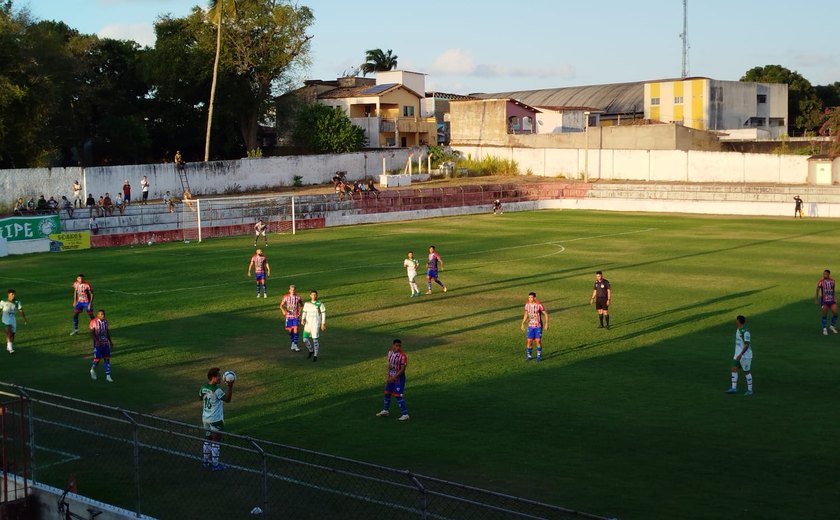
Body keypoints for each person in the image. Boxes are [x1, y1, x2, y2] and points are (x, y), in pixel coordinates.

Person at [200, 367, 233, 471]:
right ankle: (215, 465)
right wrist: (230, 386)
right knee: (216, 442)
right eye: (218, 376)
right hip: (215, 419)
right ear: (213, 378)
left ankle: (205, 462)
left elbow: (200, 397)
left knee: (207, 439)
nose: (220, 378)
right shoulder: (217, 390)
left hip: (205, 418)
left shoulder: (203, 387)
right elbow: (228, 399)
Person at [375, 339, 410, 421]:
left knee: (398, 396)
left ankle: (405, 415)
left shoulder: (403, 356)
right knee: (387, 393)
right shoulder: (390, 353)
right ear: (393, 345)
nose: (398, 347)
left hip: (399, 378)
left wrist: (393, 377)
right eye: (397, 345)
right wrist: (388, 376)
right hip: (391, 377)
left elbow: (402, 369)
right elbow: (389, 365)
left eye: (399, 346)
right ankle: (385, 411)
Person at [725, 315, 753, 396]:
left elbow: (747, 345)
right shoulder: (738, 329)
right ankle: (734, 388)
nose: (735, 321)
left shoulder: (745, 332)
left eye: (736, 320)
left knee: (747, 372)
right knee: (733, 368)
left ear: (738, 321)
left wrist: (741, 354)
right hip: (737, 354)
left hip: (745, 356)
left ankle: (750, 390)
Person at [520, 292, 548, 361]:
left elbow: (545, 314)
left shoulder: (539, 305)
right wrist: (523, 323)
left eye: (531, 297)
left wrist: (546, 323)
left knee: (538, 341)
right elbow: (526, 314)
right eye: (529, 297)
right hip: (530, 326)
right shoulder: (527, 305)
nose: (530, 299)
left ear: (535, 298)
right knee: (529, 341)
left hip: (538, 326)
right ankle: (529, 356)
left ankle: (539, 355)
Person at [89, 309, 114, 382]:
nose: (103, 315)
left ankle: (108, 376)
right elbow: (91, 333)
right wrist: (97, 341)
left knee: (107, 358)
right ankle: (92, 369)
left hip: (105, 343)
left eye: (103, 314)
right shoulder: (94, 322)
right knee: (97, 359)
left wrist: (110, 342)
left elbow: (107, 332)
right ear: (98, 315)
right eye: (101, 314)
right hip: (98, 343)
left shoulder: (105, 322)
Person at [300, 290, 326, 361]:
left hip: (315, 324)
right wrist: (302, 319)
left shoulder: (320, 304)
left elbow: (323, 314)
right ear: (310, 295)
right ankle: (311, 350)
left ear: (316, 296)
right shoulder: (307, 304)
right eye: (312, 295)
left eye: (315, 295)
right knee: (305, 339)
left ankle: (315, 355)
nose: (313, 296)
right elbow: (304, 312)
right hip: (308, 324)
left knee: (315, 340)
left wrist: (322, 323)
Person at [1, 289, 27, 354]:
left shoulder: (17, 302)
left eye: (14, 294)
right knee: (9, 333)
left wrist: (24, 318)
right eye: (12, 294)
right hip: (6, 320)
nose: (13, 295)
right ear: (8, 294)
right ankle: (10, 349)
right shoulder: (3, 301)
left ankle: (8, 346)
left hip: (13, 320)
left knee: (12, 335)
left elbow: (21, 310)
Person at [280, 285, 303, 351]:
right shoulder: (285, 297)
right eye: (291, 290)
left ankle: (295, 344)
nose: (293, 291)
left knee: (295, 328)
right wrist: (283, 311)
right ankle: (293, 342)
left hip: (295, 316)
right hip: (288, 316)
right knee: (290, 331)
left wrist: (300, 312)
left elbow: (301, 305)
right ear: (289, 290)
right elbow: (281, 305)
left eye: (294, 290)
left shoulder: (298, 297)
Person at [815, 269, 838, 335]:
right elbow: (817, 289)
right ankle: (824, 328)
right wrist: (816, 298)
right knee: (824, 314)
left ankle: (832, 326)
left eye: (825, 274)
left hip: (831, 300)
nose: (824, 275)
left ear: (828, 274)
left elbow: (833, 290)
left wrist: (835, 297)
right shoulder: (821, 281)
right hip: (824, 301)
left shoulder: (833, 281)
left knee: (835, 314)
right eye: (823, 273)